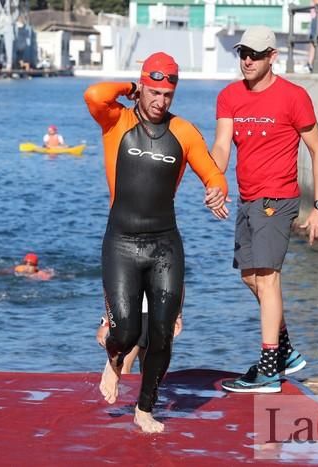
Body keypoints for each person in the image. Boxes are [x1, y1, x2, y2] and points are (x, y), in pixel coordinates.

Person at [83, 52, 228, 433]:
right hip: (121, 242)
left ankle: (145, 408)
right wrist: (130, 89)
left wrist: (216, 190)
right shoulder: (117, 120)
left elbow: (213, 173)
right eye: (154, 92)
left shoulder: (183, 132)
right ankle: (114, 361)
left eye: (167, 94)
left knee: (163, 333)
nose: (160, 101)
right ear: (142, 87)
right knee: (127, 332)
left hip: (165, 244)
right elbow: (95, 94)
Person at [207, 26, 318, 393]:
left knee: (268, 277)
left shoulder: (294, 97)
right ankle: (286, 351)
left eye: (255, 55)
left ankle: (269, 368)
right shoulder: (229, 96)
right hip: (247, 198)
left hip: (278, 199)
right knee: (250, 277)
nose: (247, 60)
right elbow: (222, 147)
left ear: (271, 57)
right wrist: (213, 179)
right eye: (243, 53)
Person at [96, 294, 183, 374]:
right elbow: (178, 282)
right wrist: (178, 314)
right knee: (150, 371)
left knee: (122, 368)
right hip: (158, 312)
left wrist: (106, 321)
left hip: (129, 314)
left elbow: (115, 285)